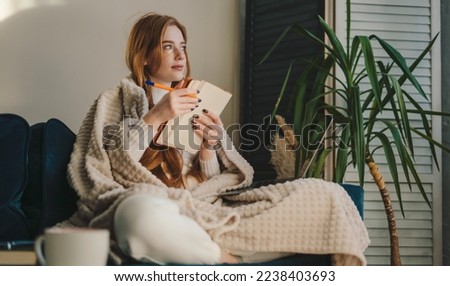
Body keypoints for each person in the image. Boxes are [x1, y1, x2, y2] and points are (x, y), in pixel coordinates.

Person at [64, 12, 370, 266]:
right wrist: (155, 117)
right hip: (159, 207)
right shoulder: (117, 100)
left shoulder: (196, 98)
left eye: (182, 46)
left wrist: (209, 149)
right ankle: (226, 260)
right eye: (168, 46)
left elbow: (210, 183)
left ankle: (196, 248)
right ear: (144, 56)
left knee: (325, 194)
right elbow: (108, 166)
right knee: (136, 215)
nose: (180, 54)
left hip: (209, 209)